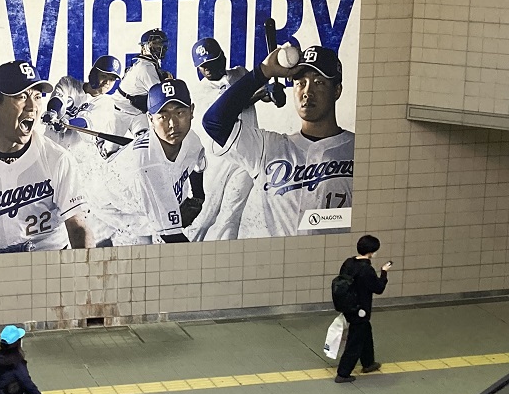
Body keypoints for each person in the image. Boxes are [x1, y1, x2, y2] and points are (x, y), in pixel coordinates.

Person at [202, 44, 354, 237]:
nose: (307, 92)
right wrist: (264, 71)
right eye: (300, 83)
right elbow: (214, 122)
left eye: (319, 82)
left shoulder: (359, 150)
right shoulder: (267, 147)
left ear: (337, 91)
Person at [0, 60, 90, 255]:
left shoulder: (58, 158)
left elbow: (78, 227)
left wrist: (85, 276)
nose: (32, 107)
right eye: (21, 96)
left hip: (50, 258)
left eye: (37, 96)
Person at [99, 80, 206, 245]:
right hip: (112, 210)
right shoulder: (147, 166)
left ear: (191, 111)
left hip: (140, 200)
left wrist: (198, 198)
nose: (173, 124)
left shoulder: (191, 139)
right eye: (163, 116)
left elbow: (197, 165)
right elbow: (174, 240)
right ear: (150, 119)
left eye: (180, 113)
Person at [186, 38, 261, 241]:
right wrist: (260, 93)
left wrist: (270, 93)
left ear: (223, 58)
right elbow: (231, 104)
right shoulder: (199, 92)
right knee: (205, 217)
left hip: (245, 156)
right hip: (217, 160)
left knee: (231, 214)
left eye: (211, 62)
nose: (207, 68)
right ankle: (184, 250)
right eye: (203, 65)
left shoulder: (240, 74)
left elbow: (256, 86)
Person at [335, 235, 391, 383]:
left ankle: (368, 362)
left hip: (348, 306)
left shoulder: (348, 263)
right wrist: (384, 272)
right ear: (371, 252)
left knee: (365, 330)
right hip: (360, 309)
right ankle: (343, 373)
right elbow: (378, 288)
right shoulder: (366, 269)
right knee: (355, 341)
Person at [41, 54, 123, 155]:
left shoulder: (107, 104)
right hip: (48, 147)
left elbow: (86, 121)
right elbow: (58, 98)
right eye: (104, 76)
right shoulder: (68, 83)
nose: (107, 82)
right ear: (94, 74)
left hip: (75, 159)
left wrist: (67, 124)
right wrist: (52, 112)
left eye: (112, 79)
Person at [114, 28, 169, 137]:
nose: (160, 47)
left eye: (161, 43)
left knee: (145, 145)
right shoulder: (146, 67)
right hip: (119, 112)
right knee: (110, 151)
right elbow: (159, 97)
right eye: (155, 43)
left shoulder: (148, 64)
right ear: (144, 48)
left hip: (138, 113)